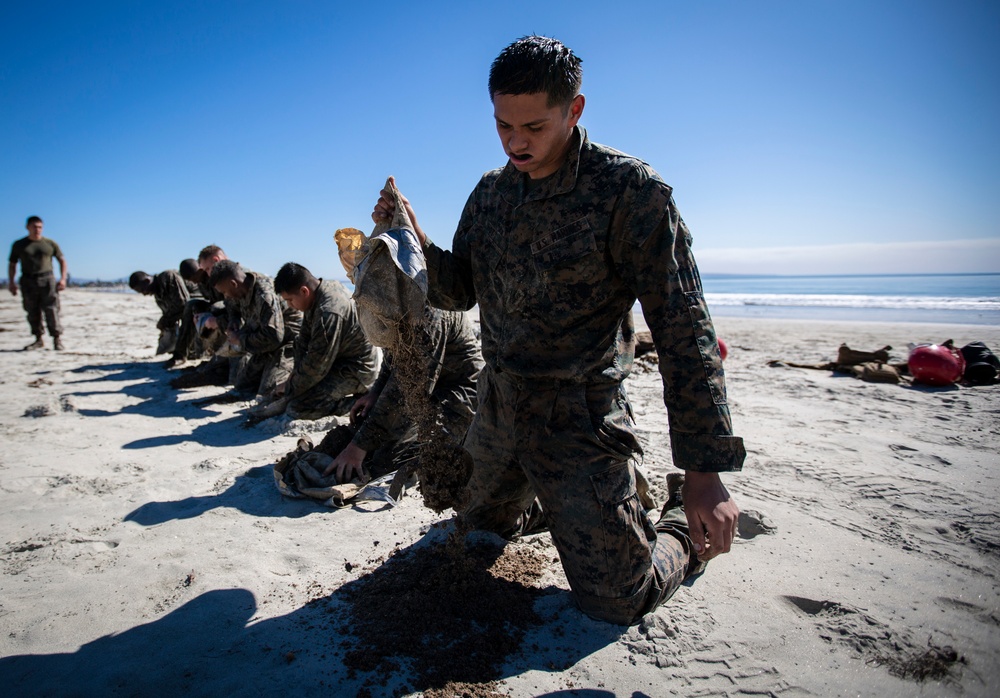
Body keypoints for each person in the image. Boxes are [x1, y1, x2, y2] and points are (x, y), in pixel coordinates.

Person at [371, 36, 745, 626]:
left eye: (534, 127)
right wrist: (412, 241)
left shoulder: (630, 193)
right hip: (497, 410)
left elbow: (684, 331)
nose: (516, 142)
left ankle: (669, 514)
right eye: (502, 126)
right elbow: (460, 289)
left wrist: (705, 474)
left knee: (618, 600)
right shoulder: (490, 195)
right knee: (477, 535)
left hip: (577, 417)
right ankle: (561, 507)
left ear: (574, 110)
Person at [325, 307, 484, 487]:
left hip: (459, 396)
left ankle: (465, 436)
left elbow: (405, 390)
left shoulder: (428, 313)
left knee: (389, 462)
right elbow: (393, 360)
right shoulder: (398, 302)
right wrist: (375, 393)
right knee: (370, 440)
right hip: (427, 392)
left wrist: (358, 446)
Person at [271, 262, 380, 419]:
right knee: (297, 391)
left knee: (299, 407)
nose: (290, 306)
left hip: (357, 369)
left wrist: (290, 389)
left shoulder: (328, 312)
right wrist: (294, 377)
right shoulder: (318, 293)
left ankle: (359, 403)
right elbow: (303, 342)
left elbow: (317, 366)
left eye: (290, 300)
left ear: (304, 291)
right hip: (338, 360)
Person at [208, 259, 302, 400]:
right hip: (264, 341)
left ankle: (292, 373)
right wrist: (234, 320)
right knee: (242, 386)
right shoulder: (239, 287)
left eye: (225, 292)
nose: (225, 296)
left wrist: (240, 339)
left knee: (268, 393)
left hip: (288, 343)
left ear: (233, 284)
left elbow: (274, 336)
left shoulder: (264, 295)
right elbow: (231, 305)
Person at [8, 216, 68, 350]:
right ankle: (38, 339)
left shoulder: (49, 243)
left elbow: (62, 260)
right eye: (34, 227)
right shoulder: (19, 245)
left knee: (52, 309)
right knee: (32, 310)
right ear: (27, 227)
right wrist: (11, 282)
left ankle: (57, 339)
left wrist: (63, 279)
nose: (37, 230)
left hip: (47, 279)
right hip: (28, 280)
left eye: (40, 227)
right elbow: (12, 264)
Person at [129, 269, 191, 355]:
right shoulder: (158, 296)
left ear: (147, 281)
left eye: (143, 290)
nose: (144, 294)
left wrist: (164, 320)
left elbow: (183, 304)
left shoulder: (168, 277)